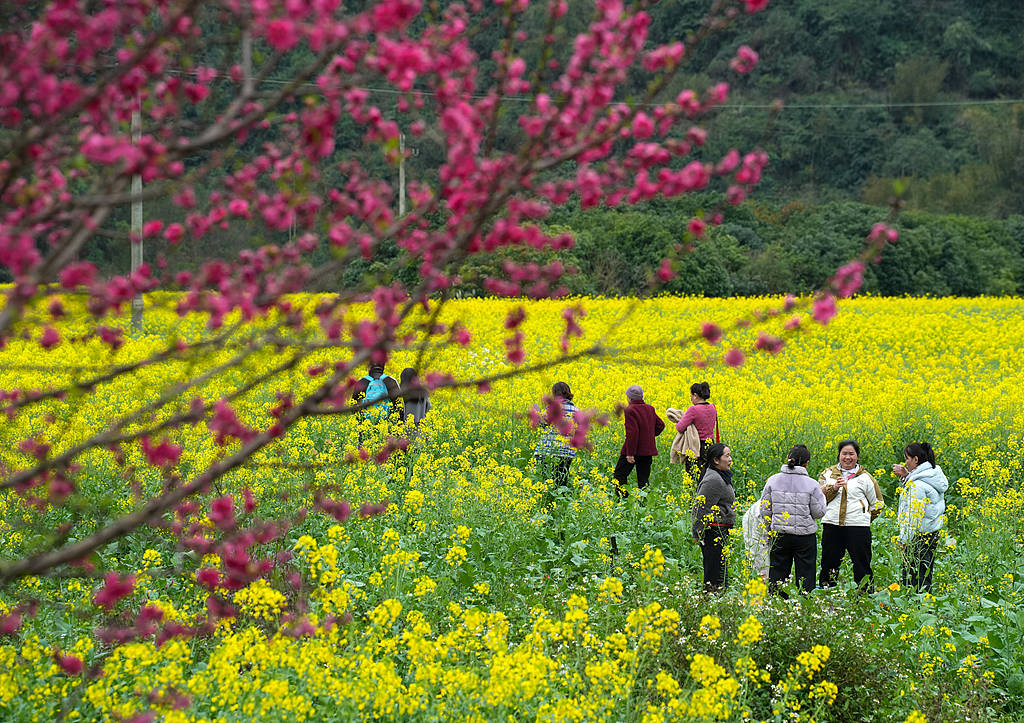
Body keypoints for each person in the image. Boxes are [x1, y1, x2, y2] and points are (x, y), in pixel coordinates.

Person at [818, 439, 885, 590]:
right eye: (844, 454)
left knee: (862, 563)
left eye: (851, 454)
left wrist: (865, 517)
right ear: (839, 455)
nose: (847, 457)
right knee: (829, 563)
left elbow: (878, 503)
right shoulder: (828, 474)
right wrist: (833, 488)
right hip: (832, 525)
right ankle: (826, 594)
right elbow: (819, 500)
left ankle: (864, 596)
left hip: (858, 527)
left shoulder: (866, 477)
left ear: (857, 456)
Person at [760, 444, 827, 594]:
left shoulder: (772, 480)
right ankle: (804, 605)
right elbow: (819, 512)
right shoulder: (812, 484)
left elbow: (765, 509)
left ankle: (777, 604)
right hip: (804, 537)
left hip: (779, 534)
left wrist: (769, 528)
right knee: (806, 574)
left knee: (777, 572)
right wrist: (823, 496)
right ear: (806, 463)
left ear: (788, 459)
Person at [893, 442, 948, 593]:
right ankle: (926, 608)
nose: (905, 463)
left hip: (917, 537)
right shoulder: (933, 475)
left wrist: (903, 540)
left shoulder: (917, 485)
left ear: (915, 460)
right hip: (931, 533)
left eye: (907, 459)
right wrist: (906, 476)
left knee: (911, 578)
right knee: (925, 575)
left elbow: (913, 517)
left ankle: (914, 610)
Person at [691, 443, 736, 592]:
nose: (730, 459)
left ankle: (718, 600)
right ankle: (711, 600)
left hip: (720, 531)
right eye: (727, 456)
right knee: (714, 570)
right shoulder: (713, 480)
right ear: (716, 460)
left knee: (720, 569)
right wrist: (697, 532)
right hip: (714, 531)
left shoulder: (720, 475)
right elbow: (700, 507)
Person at [612, 384, 665, 498]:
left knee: (619, 475)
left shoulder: (630, 409)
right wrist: (649, 435)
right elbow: (661, 425)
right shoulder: (650, 408)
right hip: (647, 452)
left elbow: (632, 432)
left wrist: (630, 453)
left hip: (633, 451)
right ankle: (644, 505)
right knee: (643, 481)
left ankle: (624, 501)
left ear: (629, 398)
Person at [532, 381, 579, 487]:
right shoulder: (576, 411)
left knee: (546, 481)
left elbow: (541, 424)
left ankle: (548, 500)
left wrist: (536, 412)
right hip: (567, 452)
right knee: (561, 482)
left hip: (549, 450)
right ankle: (560, 502)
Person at [674, 381, 719, 481]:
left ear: (695, 395)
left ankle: (694, 494)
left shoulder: (693, 409)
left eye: (690, 396)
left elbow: (680, 428)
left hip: (696, 446)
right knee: (708, 473)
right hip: (710, 445)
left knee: (693, 474)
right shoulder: (713, 407)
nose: (690, 398)